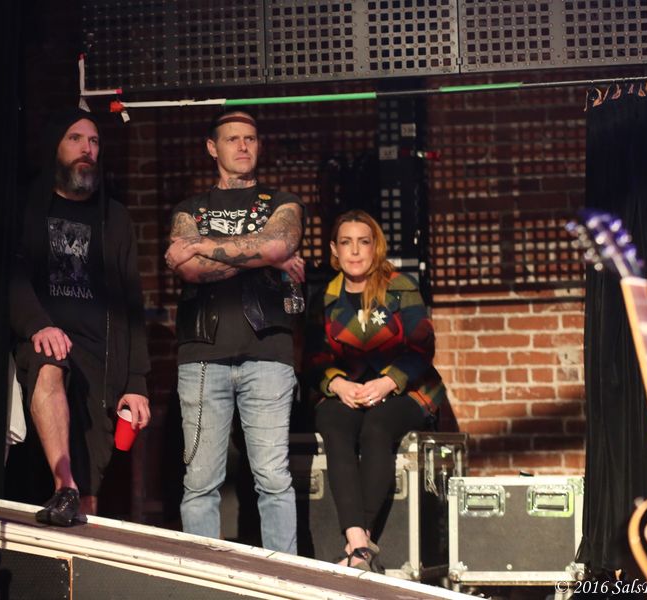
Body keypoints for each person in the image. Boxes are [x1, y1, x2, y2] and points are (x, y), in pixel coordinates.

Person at [165, 109, 305, 554]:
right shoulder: (189, 209)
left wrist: (206, 245)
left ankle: (284, 575)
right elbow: (189, 270)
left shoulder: (283, 203)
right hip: (203, 355)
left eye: (250, 138)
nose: (243, 146)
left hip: (268, 354)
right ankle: (204, 580)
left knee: (273, 478)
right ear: (213, 147)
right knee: (200, 480)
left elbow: (279, 243)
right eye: (232, 139)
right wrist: (262, 257)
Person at [10, 109, 151, 526]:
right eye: (75, 139)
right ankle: (64, 485)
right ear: (55, 146)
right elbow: (10, 275)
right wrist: (38, 324)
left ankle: (75, 506)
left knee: (90, 495)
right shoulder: (28, 207)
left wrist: (136, 384)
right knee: (50, 363)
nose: (87, 149)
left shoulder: (115, 218)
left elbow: (132, 303)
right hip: (44, 339)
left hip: (98, 359)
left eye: (93, 142)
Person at [306, 209, 446, 571]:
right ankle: (359, 543)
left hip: (406, 390)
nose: (355, 251)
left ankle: (359, 547)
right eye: (346, 242)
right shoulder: (324, 299)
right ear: (334, 250)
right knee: (334, 424)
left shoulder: (401, 287)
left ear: (375, 247)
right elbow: (314, 358)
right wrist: (337, 383)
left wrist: (388, 381)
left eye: (363, 242)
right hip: (347, 390)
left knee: (376, 428)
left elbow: (421, 347)